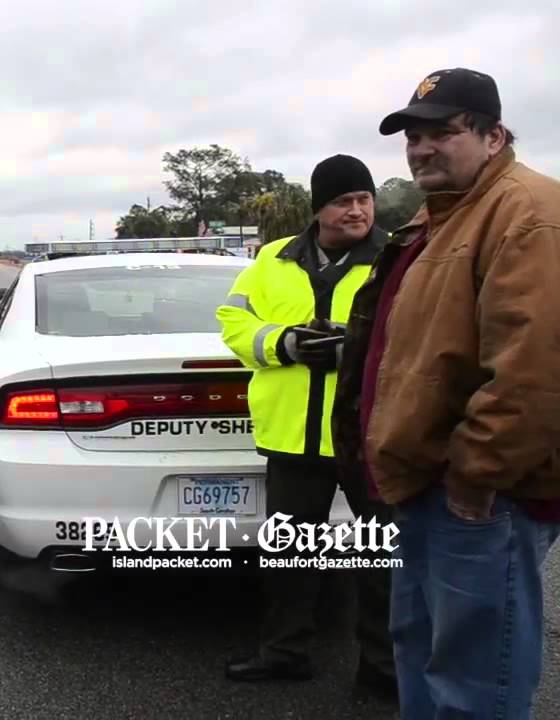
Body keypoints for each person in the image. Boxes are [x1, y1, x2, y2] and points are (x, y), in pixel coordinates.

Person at [333, 67, 560, 719]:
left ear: (493, 136)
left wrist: (476, 477)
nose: (422, 147)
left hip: (480, 501)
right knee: (422, 657)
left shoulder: (528, 215)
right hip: (425, 488)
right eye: (412, 135)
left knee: (474, 679)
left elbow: (534, 369)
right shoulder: (441, 219)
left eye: (442, 132)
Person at [217, 154, 395, 696]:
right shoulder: (274, 258)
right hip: (292, 436)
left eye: (364, 200)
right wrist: (285, 342)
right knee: (290, 557)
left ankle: (383, 668)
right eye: (344, 201)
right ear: (319, 209)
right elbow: (233, 320)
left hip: (370, 437)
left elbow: (421, 331)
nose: (357, 210)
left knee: (381, 559)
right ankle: (284, 653)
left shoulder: (395, 257)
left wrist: (354, 347)